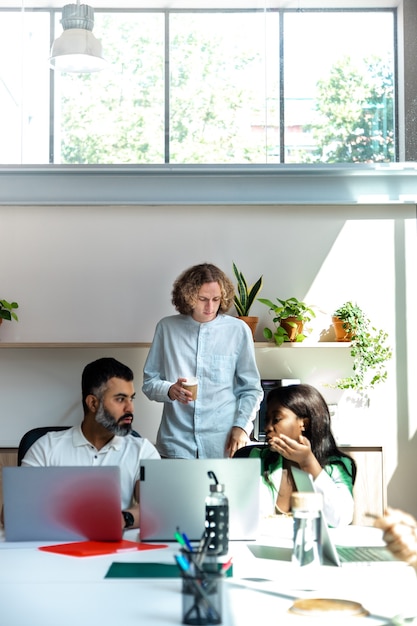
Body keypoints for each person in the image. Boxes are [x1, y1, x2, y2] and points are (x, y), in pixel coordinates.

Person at [21, 357, 160, 530]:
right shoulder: (45, 447)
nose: (130, 408)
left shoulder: (143, 450)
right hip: (54, 548)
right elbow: (13, 512)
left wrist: (123, 519)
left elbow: (156, 509)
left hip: (116, 548)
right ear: (93, 403)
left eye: (131, 398)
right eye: (120, 399)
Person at [142, 262, 263, 459]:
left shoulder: (238, 330)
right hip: (176, 443)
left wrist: (241, 426)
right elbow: (149, 382)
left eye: (216, 299)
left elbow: (251, 388)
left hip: (223, 444)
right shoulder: (167, 328)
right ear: (188, 297)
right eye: (203, 299)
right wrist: (169, 390)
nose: (211, 307)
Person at [245, 384, 356, 528]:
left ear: (304, 423)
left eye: (276, 419)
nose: (267, 427)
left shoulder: (337, 466)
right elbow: (245, 515)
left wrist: (308, 463)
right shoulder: (259, 459)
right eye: (267, 420)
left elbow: (340, 519)